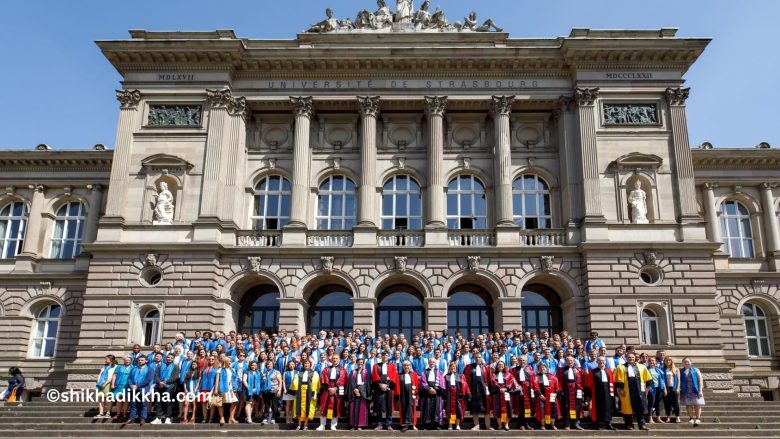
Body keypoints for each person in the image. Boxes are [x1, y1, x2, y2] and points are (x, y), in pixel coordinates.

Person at [614, 353, 653, 430]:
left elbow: (648, 380)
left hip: (640, 391)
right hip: (626, 391)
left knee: (640, 407)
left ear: (635, 358)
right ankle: (628, 424)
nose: (631, 358)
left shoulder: (642, 367)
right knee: (627, 408)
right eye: (629, 357)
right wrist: (620, 390)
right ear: (626, 358)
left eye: (632, 357)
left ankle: (642, 424)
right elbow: (618, 380)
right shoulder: (620, 367)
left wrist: (646, 390)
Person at [317, 354, 347, 431]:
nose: (334, 360)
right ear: (331, 359)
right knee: (324, 407)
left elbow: (342, 379)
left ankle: (333, 425)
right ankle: (322, 425)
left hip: (336, 391)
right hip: (326, 390)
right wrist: (329, 388)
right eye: (333, 358)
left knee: (336, 407)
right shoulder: (326, 369)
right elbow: (324, 378)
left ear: (339, 359)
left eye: (336, 358)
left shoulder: (342, 369)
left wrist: (335, 388)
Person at [289, 358, 320, 430]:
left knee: (308, 408)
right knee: (299, 408)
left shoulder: (314, 373)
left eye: (308, 363)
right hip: (300, 391)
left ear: (310, 364)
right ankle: (299, 424)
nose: (306, 365)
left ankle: (306, 424)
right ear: (303, 365)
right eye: (305, 363)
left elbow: (315, 383)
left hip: (309, 391)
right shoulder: (299, 373)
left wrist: (314, 393)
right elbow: (295, 382)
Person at [464, 353, 492, 430]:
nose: (477, 358)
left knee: (486, 407)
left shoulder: (486, 367)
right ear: (474, 358)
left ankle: (488, 425)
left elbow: (490, 380)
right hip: (473, 390)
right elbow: (465, 379)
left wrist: (490, 390)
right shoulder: (468, 367)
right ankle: (476, 425)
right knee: (474, 408)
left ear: (481, 358)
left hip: (484, 390)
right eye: (476, 357)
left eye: (479, 357)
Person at [586, 356, 616, 430]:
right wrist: (588, 397)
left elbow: (612, 383)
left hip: (607, 393)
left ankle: (608, 423)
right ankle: (595, 424)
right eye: (599, 360)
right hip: (596, 393)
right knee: (596, 408)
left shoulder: (609, 371)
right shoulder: (592, 372)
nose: (601, 362)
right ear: (597, 362)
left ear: (605, 361)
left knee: (607, 408)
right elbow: (588, 384)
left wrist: (612, 394)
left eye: (603, 360)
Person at [372, 351, 398, 431]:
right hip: (379, 388)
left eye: (386, 355)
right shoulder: (376, 366)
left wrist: (387, 385)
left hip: (389, 388)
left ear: (388, 356)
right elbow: (375, 376)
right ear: (381, 356)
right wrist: (381, 385)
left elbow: (393, 377)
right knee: (379, 406)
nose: (385, 357)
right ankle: (379, 424)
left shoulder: (392, 366)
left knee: (389, 406)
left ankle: (388, 424)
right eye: (383, 355)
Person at [557, 355, 585, 430]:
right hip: (566, 391)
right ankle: (567, 424)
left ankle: (576, 423)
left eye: (571, 361)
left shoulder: (579, 370)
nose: (570, 362)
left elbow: (583, 380)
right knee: (566, 407)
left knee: (577, 407)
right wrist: (560, 390)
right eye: (568, 361)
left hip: (576, 390)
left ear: (573, 361)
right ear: (566, 362)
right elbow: (558, 381)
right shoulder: (561, 370)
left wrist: (581, 389)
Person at [151, 353, 180, 424]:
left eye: (171, 358)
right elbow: (156, 375)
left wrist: (165, 382)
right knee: (158, 402)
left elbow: (175, 377)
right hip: (159, 386)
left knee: (168, 402)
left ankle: (168, 418)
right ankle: (158, 418)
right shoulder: (160, 366)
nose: (169, 359)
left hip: (169, 386)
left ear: (173, 359)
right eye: (168, 357)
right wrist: (160, 382)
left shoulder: (176, 367)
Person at [125, 355, 153, 426]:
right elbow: (129, 378)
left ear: (146, 361)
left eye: (142, 360)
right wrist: (131, 385)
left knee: (144, 404)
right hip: (133, 389)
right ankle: (131, 418)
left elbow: (148, 379)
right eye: (139, 360)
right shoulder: (134, 368)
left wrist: (137, 386)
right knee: (133, 404)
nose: (140, 361)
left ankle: (143, 418)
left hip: (144, 388)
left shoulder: (149, 369)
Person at [512, 355, 538, 430]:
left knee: (527, 408)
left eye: (523, 360)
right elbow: (512, 379)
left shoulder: (530, 369)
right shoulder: (514, 370)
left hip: (528, 391)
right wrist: (517, 386)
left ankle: (526, 423)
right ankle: (520, 424)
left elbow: (533, 380)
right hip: (519, 391)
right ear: (518, 361)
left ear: (526, 361)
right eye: (520, 360)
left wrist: (533, 389)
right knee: (520, 408)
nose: (522, 361)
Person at [490, 360, 517, 431]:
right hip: (497, 394)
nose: (500, 366)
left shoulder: (508, 374)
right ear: (497, 366)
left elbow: (511, 381)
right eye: (499, 365)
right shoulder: (493, 374)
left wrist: (506, 388)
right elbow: (493, 381)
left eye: (502, 365)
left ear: (504, 366)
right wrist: (499, 388)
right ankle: (499, 425)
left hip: (506, 394)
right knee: (497, 409)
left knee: (508, 409)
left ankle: (506, 424)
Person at [443, 361, 469, 431]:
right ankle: (450, 424)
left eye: (454, 367)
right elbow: (444, 386)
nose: (453, 368)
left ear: (456, 368)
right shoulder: (446, 376)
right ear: (449, 368)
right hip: (449, 396)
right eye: (452, 367)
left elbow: (464, 385)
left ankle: (457, 425)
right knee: (449, 410)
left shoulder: (460, 376)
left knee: (458, 410)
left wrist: (465, 394)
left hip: (458, 396)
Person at [346, 358, 371, 430]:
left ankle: (360, 425)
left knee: (362, 409)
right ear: (356, 363)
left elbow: (367, 384)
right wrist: (355, 389)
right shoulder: (353, 372)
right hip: (354, 393)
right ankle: (354, 425)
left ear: (363, 364)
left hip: (363, 393)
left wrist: (360, 390)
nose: (360, 364)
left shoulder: (366, 373)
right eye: (359, 362)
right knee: (353, 408)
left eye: (361, 363)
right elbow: (350, 382)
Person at [420, 357, 445, 430]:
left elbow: (442, 383)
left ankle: (436, 424)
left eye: (433, 362)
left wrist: (436, 389)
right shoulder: (424, 372)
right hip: (427, 392)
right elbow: (423, 381)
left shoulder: (439, 372)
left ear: (435, 363)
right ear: (428, 362)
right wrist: (429, 389)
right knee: (427, 408)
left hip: (437, 393)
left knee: (437, 409)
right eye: (430, 362)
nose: (432, 363)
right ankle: (426, 425)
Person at [679, 357, 705, 426]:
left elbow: (700, 380)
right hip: (686, 390)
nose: (686, 363)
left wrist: (700, 390)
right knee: (688, 405)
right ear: (682, 363)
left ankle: (698, 418)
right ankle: (691, 418)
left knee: (697, 404)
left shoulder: (696, 370)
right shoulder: (681, 371)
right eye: (685, 362)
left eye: (688, 361)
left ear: (691, 362)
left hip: (695, 389)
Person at [535, 363, 559, 430]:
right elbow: (535, 386)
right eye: (541, 368)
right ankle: (543, 425)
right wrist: (540, 394)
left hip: (552, 397)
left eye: (544, 367)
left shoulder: (552, 376)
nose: (542, 369)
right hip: (542, 396)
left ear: (546, 368)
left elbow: (557, 386)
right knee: (542, 410)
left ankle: (552, 425)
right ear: (539, 369)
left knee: (553, 410)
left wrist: (556, 393)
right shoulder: (536, 377)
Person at [397, 360, 419, 432]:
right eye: (405, 365)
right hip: (403, 394)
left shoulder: (414, 374)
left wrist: (416, 394)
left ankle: (413, 424)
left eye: (408, 365)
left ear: (410, 366)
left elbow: (416, 385)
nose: (406, 367)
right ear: (403, 367)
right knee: (404, 408)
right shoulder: (399, 375)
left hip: (412, 394)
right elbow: (397, 386)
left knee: (413, 408)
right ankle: (405, 425)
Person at [95, 354, 117, 419]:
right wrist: (98, 381)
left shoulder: (115, 367)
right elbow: (100, 374)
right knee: (100, 399)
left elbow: (112, 376)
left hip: (108, 384)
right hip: (100, 384)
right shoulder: (104, 366)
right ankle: (101, 413)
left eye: (106, 359)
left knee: (108, 399)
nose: (105, 360)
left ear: (111, 360)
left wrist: (106, 383)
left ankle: (108, 412)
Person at [111, 356, 133, 421]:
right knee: (119, 400)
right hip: (119, 385)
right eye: (126, 360)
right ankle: (118, 413)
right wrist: (112, 384)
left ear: (131, 361)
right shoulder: (119, 367)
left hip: (128, 386)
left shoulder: (133, 367)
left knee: (126, 400)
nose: (127, 361)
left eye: (128, 360)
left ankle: (125, 413)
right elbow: (114, 375)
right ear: (123, 361)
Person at [262, 358, 283, 424]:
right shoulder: (264, 372)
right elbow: (262, 382)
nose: (269, 365)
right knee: (266, 405)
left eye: (270, 364)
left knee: (274, 405)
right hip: (265, 391)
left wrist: (279, 390)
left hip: (274, 390)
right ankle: (265, 418)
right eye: (268, 364)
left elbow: (280, 382)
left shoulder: (276, 372)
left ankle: (273, 418)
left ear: (273, 365)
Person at [662, 356, 681, 423]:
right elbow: (662, 380)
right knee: (667, 403)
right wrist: (664, 389)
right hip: (666, 388)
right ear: (664, 361)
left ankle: (677, 417)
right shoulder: (663, 369)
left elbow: (679, 380)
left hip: (674, 387)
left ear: (671, 361)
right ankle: (668, 417)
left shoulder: (676, 369)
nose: (668, 361)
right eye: (666, 360)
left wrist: (678, 388)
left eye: (669, 360)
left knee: (675, 403)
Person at [647, 357, 665, 423]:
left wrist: (664, 389)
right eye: (650, 361)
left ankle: (658, 418)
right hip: (651, 388)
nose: (652, 362)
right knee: (651, 403)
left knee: (658, 403)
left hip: (659, 388)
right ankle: (650, 418)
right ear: (648, 362)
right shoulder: (646, 369)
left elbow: (662, 380)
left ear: (655, 362)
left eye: (653, 361)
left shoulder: (658, 370)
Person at [282, 359, 297, 424]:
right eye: (290, 364)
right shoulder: (285, 372)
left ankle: (291, 418)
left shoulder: (297, 372)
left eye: (292, 364)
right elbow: (283, 381)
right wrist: (284, 389)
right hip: (287, 390)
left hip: (295, 390)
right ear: (288, 365)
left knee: (293, 405)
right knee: (288, 404)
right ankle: (287, 418)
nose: (291, 365)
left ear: (294, 365)